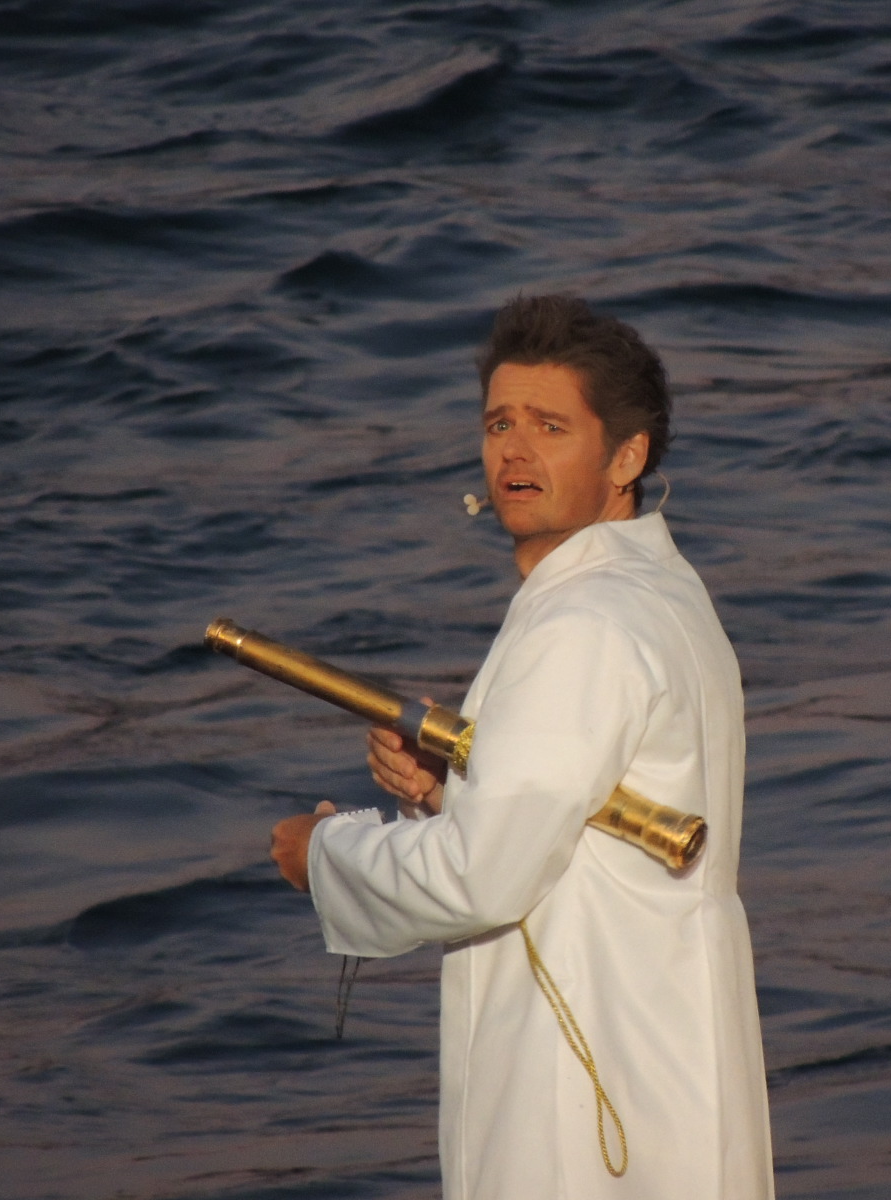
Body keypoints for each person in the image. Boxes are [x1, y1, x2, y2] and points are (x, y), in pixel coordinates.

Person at [270, 295, 774, 1199]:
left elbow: (481, 876)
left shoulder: (583, 619)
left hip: (585, 1095)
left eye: (551, 426)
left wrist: (327, 856)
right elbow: (575, 824)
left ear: (628, 457)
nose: (514, 451)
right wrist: (451, 790)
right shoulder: (661, 588)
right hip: (661, 1051)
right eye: (500, 423)